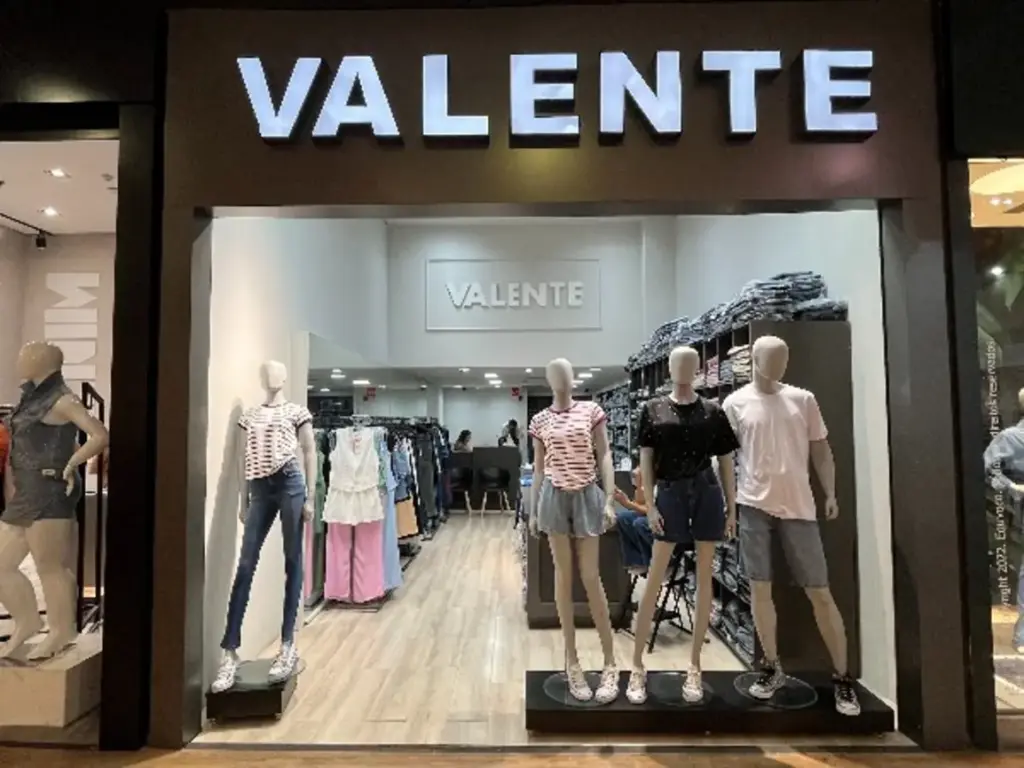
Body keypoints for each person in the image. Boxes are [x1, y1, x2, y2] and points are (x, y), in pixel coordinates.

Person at [613, 467, 654, 575]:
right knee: (623, 517)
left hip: (665, 519)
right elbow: (640, 507)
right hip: (650, 515)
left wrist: (629, 504)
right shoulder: (642, 483)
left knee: (640, 523)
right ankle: (636, 561)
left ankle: (663, 561)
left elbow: (653, 512)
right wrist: (639, 487)